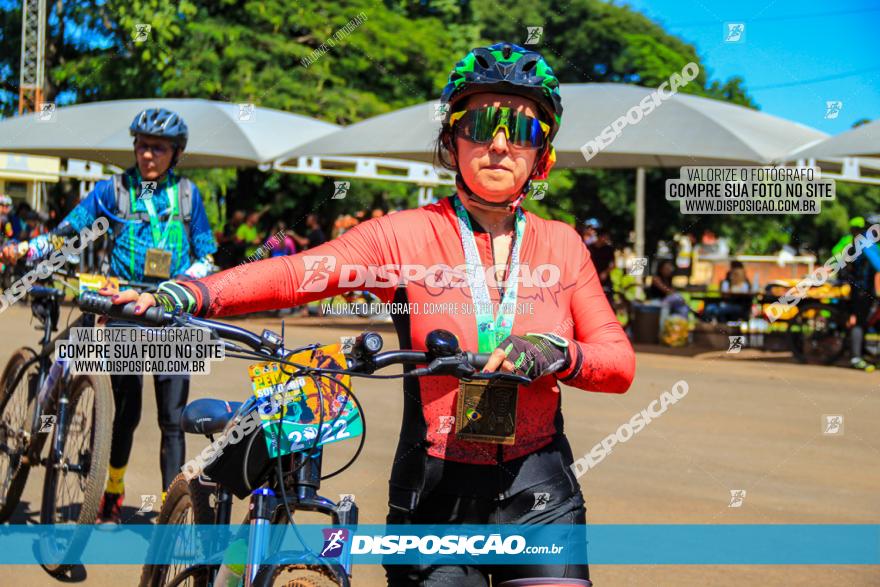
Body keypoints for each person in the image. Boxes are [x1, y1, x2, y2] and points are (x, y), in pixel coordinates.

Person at [109, 42, 634, 586]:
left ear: (542, 153)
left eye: (520, 130)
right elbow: (299, 273)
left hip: (540, 494)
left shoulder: (564, 244)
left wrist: (558, 353)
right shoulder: (404, 235)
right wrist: (193, 293)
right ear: (452, 142)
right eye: (481, 123)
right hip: (434, 497)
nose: (499, 145)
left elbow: (617, 362)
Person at [3, 108, 218, 522]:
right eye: (141, 145)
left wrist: (178, 288)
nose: (148, 155)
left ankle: (170, 509)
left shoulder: (188, 196)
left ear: (176, 153)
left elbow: (206, 256)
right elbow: (66, 233)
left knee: (173, 420)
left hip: (171, 311)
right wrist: (23, 251)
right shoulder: (113, 191)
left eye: (158, 148)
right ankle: (111, 495)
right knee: (125, 409)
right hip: (121, 308)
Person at [837, 217, 880, 371]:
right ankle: (855, 358)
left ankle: (861, 352)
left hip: (867, 289)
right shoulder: (864, 243)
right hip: (860, 290)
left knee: (866, 322)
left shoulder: (870, 243)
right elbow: (878, 264)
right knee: (859, 321)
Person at [588, 227, 615, 292]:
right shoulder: (590, 248)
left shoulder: (609, 249)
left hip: (605, 279)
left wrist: (605, 273)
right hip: (592, 278)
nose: (606, 240)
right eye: (605, 237)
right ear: (599, 237)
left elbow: (613, 264)